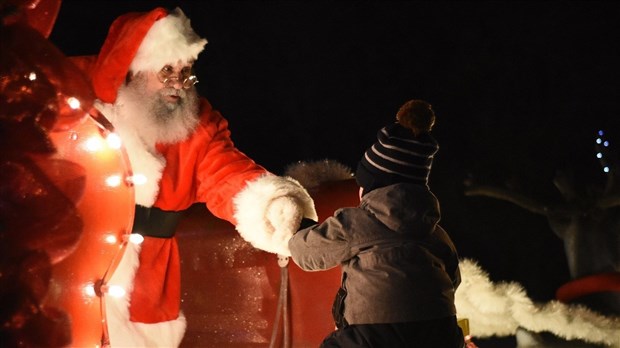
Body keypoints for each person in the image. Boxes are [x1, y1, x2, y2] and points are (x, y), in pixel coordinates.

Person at [78, 7, 317, 347]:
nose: (179, 81)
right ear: (134, 68)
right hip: (71, 280)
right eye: (166, 70)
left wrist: (273, 204)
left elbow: (227, 175)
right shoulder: (75, 101)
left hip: (143, 296)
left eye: (186, 71)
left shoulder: (195, 127)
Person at [288, 100, 464, 347]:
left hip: (373, 337)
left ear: (372, 189)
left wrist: (302, 227)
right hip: (440, 333)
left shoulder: (356, 224)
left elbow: (307, 253)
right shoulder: (436, 234)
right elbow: (453, 280)